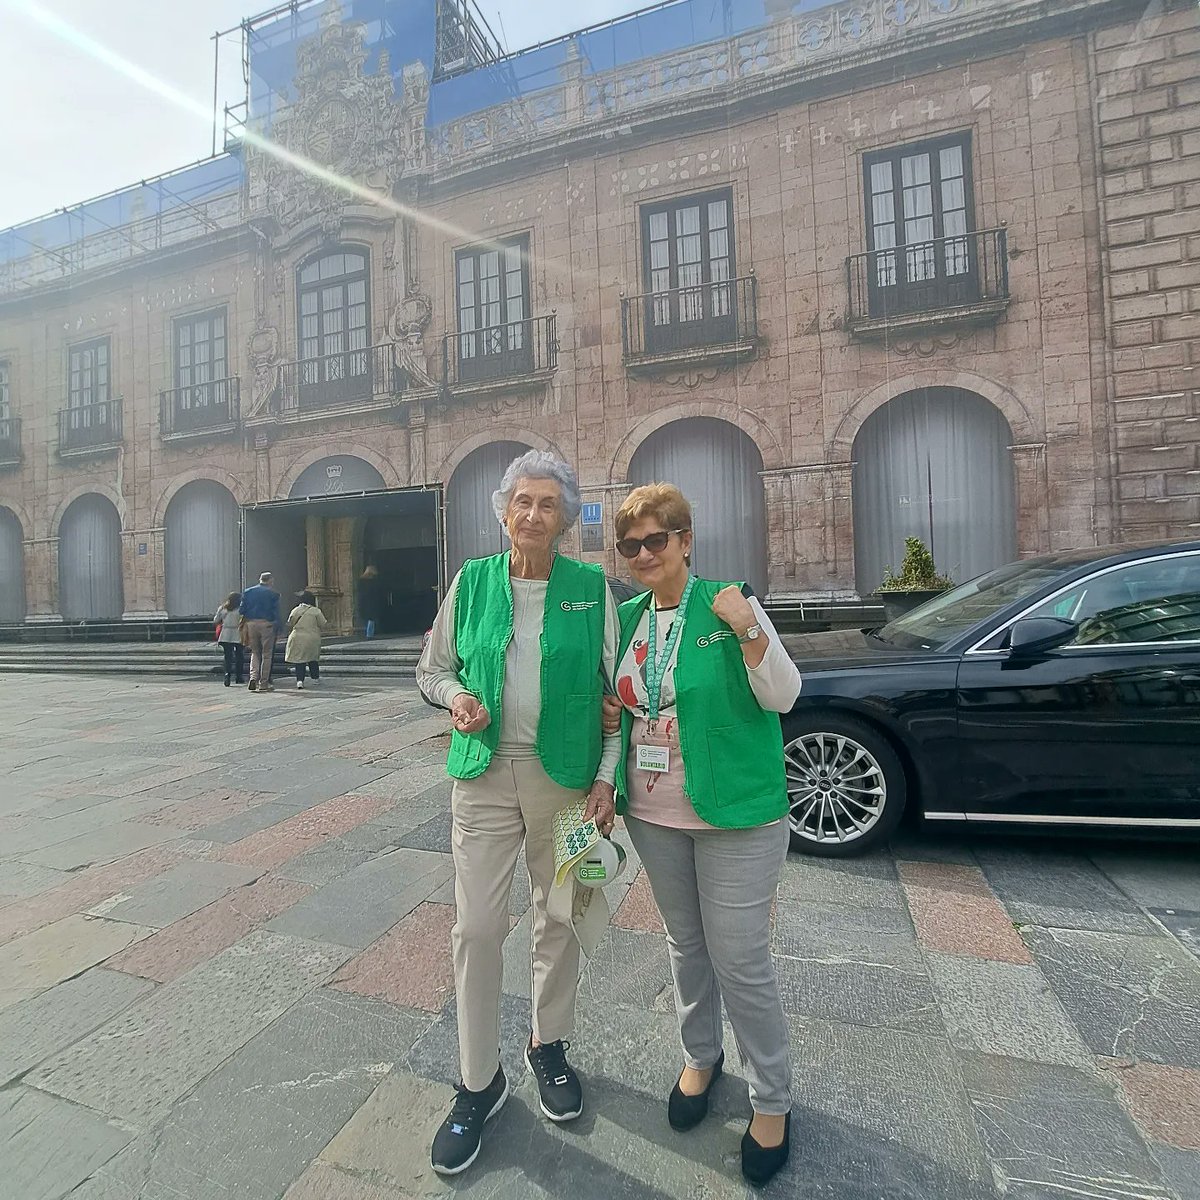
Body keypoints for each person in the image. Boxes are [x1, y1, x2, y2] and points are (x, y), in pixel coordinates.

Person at [416, 450, 621, 1177]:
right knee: (475, 929)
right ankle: (478, 1081)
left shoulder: (590, 587)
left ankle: (549, 1043)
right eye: (521, 502)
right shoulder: (471, 582)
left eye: (547, 503)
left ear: (565, 517)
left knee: (561, 912)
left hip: (565, 782)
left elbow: (618, 693)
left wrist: (606, 776)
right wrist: (456, 700)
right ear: (503, 511)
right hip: (482, 776)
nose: (533, 514)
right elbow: (433, 669)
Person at [603, 482, 800, 1188]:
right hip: (654, 814)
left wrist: (749, 630)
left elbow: (783, 695)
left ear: (686, 541)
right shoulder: (626, 618)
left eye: (659, 539)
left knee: (741, 958)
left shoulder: (728, 602)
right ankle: (701, 1055)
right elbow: (617, 711)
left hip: (738, 814)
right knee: (685, 944)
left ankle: (771, 1098)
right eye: (632, 545)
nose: (645, 554)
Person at [239, 571, 281, 693]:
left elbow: (242, 610)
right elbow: (276, 612)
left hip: (251, 623)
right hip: (266, 624)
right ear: (270, 581)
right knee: (267, 654)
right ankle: (263, 683)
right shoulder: (274, 594)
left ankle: (253, 677)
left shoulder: (248, 592)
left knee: (255, 652)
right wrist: (279, 627)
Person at [285, 590, 328, 689]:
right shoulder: (316, 611)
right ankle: (315, 678)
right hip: (312, 637)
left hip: (298, 637)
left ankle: (300, 681)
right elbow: (323, 623)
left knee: (299, 660)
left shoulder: (295, 610)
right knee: (313, 658)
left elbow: (290, 622)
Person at [214, 591, 244, 687]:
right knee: (239, 655)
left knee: (228, 656)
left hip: (226, 633)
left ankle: (227, 675)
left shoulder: (223, 608)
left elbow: (215, 620)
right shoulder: (241, 609)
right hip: (238, 632)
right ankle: (239, 676)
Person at [358, 564, 383, 639]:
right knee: (371, 618)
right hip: (371, 602)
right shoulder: (373, 581)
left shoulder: (361, 581)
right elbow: (376, 592)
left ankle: (368, 632)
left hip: (363, 601)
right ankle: (369, 634)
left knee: (367, 618)